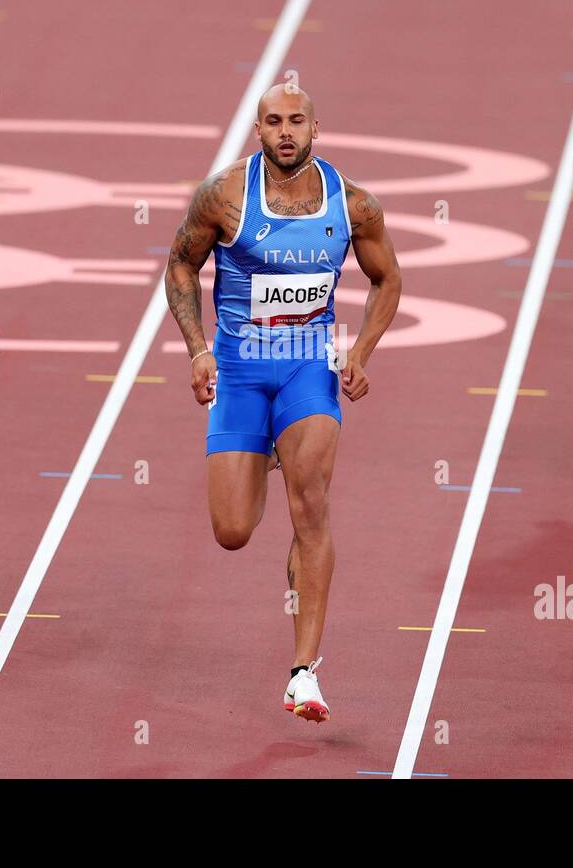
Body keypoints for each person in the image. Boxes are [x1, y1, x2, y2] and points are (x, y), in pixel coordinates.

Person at [164, 84, 401, 722]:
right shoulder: (223, 195)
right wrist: (197, 350)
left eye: (297, 121)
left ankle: (303, 672)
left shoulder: (352, 204)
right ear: (258, 128)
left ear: (316, 128)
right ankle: (265, 451)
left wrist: (361, 353)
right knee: (233, 532)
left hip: (308, 366)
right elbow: (180, 266)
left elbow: (388, 278)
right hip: (240, 371)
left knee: (311, 506)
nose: (286, 132)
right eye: (274, 122)